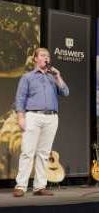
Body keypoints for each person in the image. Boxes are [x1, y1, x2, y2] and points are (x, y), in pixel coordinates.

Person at [13, 47, 69, 197]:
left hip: (51, 117)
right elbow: (20, 99)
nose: (46, 58)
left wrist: (58, 76)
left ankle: (39, 187)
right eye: (43, 55)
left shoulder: (52, 77)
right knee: (27, 152)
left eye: (48, 56)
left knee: (44, 153)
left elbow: (65, 92)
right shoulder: (27, 77)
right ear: (35, 59)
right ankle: (21, 186)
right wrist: (20, 117)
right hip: (33, 116)